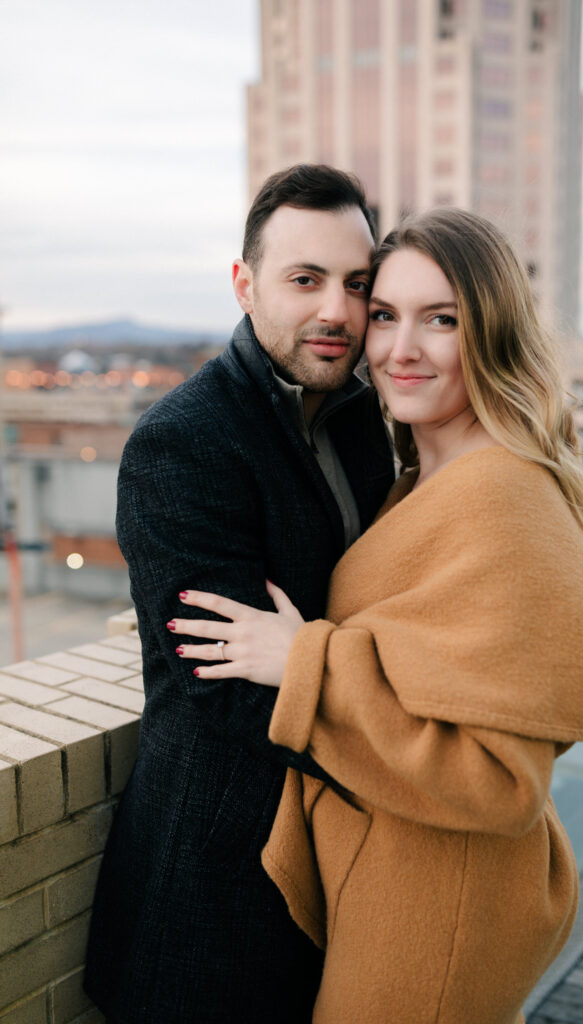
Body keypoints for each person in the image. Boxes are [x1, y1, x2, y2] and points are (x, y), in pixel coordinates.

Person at [172, 208, 583, 1024]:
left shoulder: (501, 497)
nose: (397, 349)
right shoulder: (421, 471)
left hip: (442, 899)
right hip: (406, 872)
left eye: (440, 320)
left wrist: (303, 660)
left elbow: (498, 784)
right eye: (382, 316)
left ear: (491, 332)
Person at [84, 164, 396, 1024]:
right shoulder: (183, 443)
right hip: (215, 884)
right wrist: (416, 739)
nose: (336, 309)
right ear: (245, 284)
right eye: (305, 280)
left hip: (336, 866)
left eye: (356, 284)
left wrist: (313, 659)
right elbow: (222, 690)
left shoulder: (370, 421)